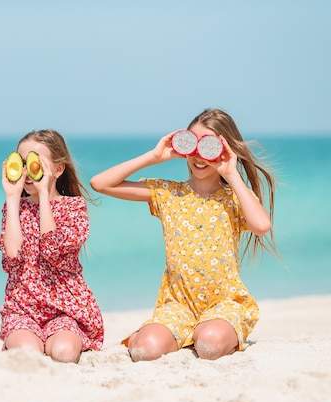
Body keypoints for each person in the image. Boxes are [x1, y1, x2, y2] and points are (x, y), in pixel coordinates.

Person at [89, 108, 278, 361]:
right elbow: (100, 183)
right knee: (143, 351)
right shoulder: (168, 193)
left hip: (224, 303)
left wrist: (231, 173)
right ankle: (157, 333)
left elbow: (261, 225)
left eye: (209, 147)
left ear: (224, 150)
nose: (199, 156)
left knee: (209, 346)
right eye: (192, 144)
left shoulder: (234, 197)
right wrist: (153, 157)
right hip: (177, 305)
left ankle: (208, 331)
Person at [0, 129, 104, 363]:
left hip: (65, 308)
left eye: (36, 163)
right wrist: (12, 197)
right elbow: (13, 257)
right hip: (23, 308)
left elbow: (52, 249)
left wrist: (44, 194)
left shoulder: (73, 208)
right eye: (22, 162)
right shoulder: (15, 208)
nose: (27, 172)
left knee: (63, 353)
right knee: (28, 354)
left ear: (58, 169)